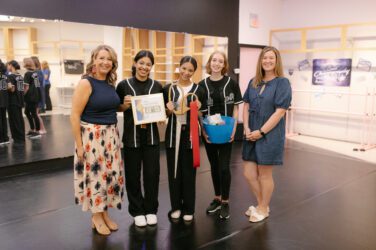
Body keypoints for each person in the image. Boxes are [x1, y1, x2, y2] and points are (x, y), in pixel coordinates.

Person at [70, 45, 124, 236]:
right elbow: (75, 115)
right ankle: (96, 216)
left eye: (109, 59)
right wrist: (79, 145)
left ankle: (104, 214)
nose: (105, 62)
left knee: (108, 177)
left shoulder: (109, 84)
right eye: (101, 58)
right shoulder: (86, 83)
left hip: (110, 137)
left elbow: (111, 107)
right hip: (92, 138)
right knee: (96, 178)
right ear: (94, 60)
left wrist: (127, 105)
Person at [242, 46, 292, 223]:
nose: (268, 61)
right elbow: (246, 105)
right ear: (260, 61)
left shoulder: (282, 83)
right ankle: (262, 203)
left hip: (270, 134)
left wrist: (261, 132)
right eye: (265, 58)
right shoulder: (253, 82)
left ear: (277, 61)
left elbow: (280, 112)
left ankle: (263, 208)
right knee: (248, 173)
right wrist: (247, 128)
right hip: (251, 132)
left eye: (271, 58)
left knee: (264, 174)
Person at [116, 50, 163, 227]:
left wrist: (163, 112)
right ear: (135, 63)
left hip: (152, 138)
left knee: (152, 175)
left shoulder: (157, 86)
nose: (144, 67)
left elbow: (162, 112)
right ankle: (137, 211)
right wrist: (125, 105)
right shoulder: (123, 85)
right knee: (133, 176)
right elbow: (117, 108)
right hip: (131, 138)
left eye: (148, 64)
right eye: (141, 63)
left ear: (152, 67)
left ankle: (151, 209)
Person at [199, 51, 243, 219]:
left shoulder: (231, 83)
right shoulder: (201, 85)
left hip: (226, 133)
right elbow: (200, 112)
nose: (217, 63)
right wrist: (203, 130)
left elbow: (237, 107)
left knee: (224, 168)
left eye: (220, 61)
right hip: (209, 132)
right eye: (214, 60)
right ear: (209, 63)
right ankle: (217, 197)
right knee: (214, 167)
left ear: (224, 65)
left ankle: (225, 201)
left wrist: (234, 128)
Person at [163, 56, 206, 222]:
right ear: (178, 67)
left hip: (191, 136)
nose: (186, 73)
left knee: (189, 173)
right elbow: (164, 114)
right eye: (184, 68)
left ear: (194, 72)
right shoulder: (168, 89)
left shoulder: (199, 89)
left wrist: (199, 109)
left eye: (190, 70)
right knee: (174, 172)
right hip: (173, 135)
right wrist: (167, 109)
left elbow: (202, 114)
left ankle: (189, 208)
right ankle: (175, 207)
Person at [6, 60, 26, 143]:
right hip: (20, 100)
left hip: (13, 101)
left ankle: (17, 137)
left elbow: (12, 89)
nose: (7, 67)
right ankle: (21, 136)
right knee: (19, 119)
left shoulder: (11, 76)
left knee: (14, 120)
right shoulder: (20, 76)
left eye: (8, 65)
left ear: (11, 66)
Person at [23, 58, 41, 139]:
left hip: (30, 97)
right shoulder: (35, 73)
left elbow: (26, 87)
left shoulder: (27, 74)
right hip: (35, 96)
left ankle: (37, 131)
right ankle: (32, 129)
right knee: (27, 112)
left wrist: (22, 95)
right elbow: (37, 85)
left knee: (34, 114)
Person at [31, 56, 46, 134]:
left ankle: (43, 129)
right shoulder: (36, 72)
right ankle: (39, 128)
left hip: (38, 96)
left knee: (36, 114)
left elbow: (37, 84)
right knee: (35, 114)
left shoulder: (38, 72)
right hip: (37, 95)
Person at [0, 59, 10, 145]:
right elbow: (9, 87)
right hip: (4, 99)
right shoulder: (5, 75)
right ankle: (5, 137)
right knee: (3, 118)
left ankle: (1, 139)